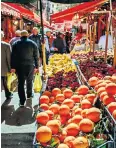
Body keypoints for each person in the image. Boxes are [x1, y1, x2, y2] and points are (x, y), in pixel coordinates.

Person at [11, 30, 39, 107]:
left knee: (21, 83)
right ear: (27, 35)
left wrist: (13, 67)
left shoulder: (15, 44)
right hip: (30, 65)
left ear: (20, 36)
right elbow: (36, 56)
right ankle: (29, 95)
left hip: (19, 66)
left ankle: (22, 101)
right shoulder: (33, 43)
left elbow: (13, 56)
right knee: (29, 80)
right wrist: (37, 66)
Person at [1, 31, 12, 100]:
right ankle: (8, 94)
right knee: (5, 82)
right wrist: (10, 68)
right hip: (4, 68)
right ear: (2, 36)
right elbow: (9, 58)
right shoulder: (6, 45)